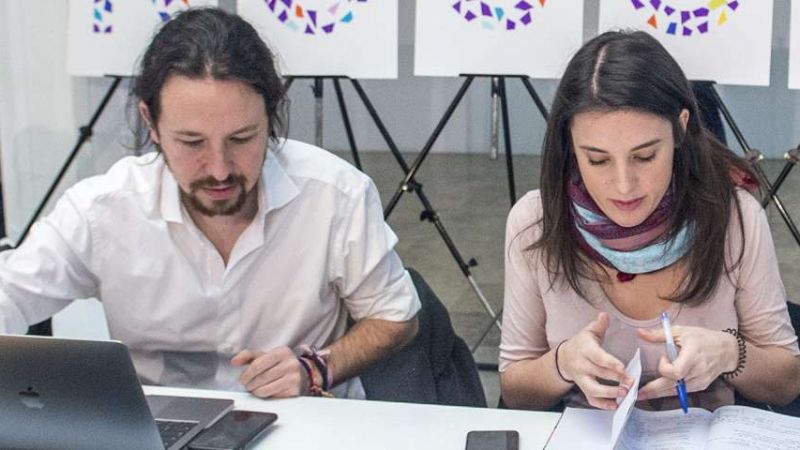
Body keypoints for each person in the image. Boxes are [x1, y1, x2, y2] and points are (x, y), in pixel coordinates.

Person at [0, 7, 419, 400]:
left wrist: (317, 368)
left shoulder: (334, 195)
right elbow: (10, 296)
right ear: (152, 123)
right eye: (191, 142)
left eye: (241, 139)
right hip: (156, 427)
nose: (219, 170)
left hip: (303, 420)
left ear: (272, 115)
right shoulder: (102, 209)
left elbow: (397, 317)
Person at [499, 31, 800, 412]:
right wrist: (561, 365)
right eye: (597, 160)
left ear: (680, 128)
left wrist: (729, 353)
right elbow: (515, 391)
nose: (624, 186)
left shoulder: (735, 219)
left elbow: (787, 383)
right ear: (569, 146)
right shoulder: (535, 222)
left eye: (645, 156)